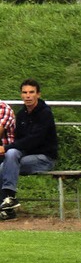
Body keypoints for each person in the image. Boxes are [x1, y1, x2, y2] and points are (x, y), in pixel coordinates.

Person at [0, 78, 58, 220]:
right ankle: (8, 203)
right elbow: (19, 140)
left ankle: (8, 202)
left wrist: (6, 147)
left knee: (4, 166)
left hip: (44, 158)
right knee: (10, 155)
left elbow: (35, 140)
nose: (28, 96)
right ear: (21, 95)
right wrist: (9, 149)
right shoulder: (21, 115)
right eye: (25, 92)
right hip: (26, 156)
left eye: (31, 92)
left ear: (38, 94)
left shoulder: (45, 113)